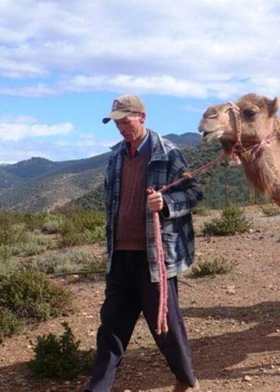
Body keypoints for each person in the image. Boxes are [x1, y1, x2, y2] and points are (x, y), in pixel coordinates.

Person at [86, 94, 202, 392]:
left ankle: (186, 380)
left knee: (166, 326)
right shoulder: (115, 157)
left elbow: (194, 193)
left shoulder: (168, 153)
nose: (121, 128)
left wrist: (165, 202)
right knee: (111, 326)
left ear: (142, 117)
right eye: (117, 123)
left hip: (156, 257)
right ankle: (97, 388)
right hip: (120, 255)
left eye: (126, 121)